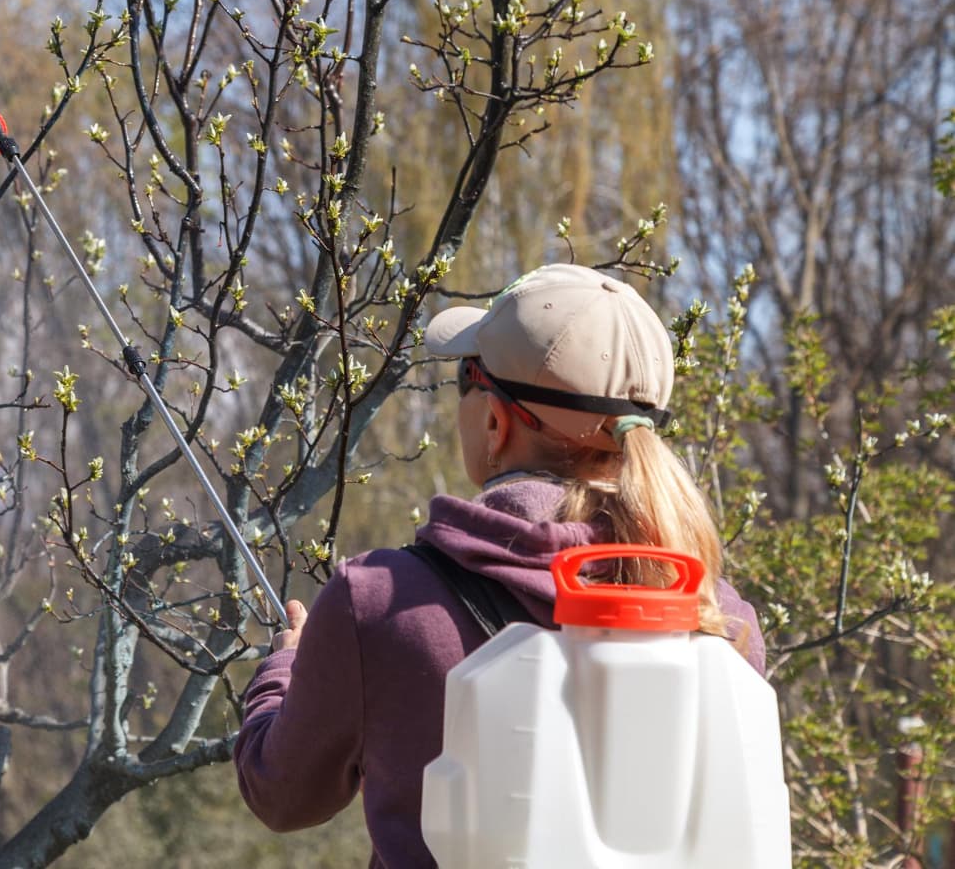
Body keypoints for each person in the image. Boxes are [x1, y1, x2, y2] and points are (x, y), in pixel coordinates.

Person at [233, 263, 765, 868]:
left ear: (495, 420)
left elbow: (282, 795)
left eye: (467, 379)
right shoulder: (719, 618)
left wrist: (287, 666)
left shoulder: (381, 601)